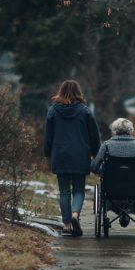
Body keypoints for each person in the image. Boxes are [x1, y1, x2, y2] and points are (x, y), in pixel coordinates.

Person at [43, 80, 101, 237]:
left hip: (60, 155)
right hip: (80, 155)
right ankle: (75, 214)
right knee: (78, 189)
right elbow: (94, 136)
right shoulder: (85, 112)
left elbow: (48, 135)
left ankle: (67, 224)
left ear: (60, 92)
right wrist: (96, 153)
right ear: (78, 92)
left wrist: (47, 152)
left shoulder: (53, 111)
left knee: (64, 192)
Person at [91, 118, 135, 227]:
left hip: (111, 188)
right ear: (131, 130)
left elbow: (94, 167)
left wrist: (102, 171)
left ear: (115, 130)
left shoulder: (106, 146)